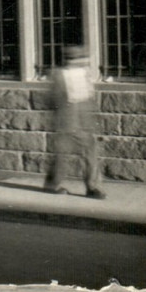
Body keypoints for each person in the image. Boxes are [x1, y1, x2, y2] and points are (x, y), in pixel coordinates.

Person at [46, 44, 105, 199]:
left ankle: (92, 187)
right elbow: (52, 100)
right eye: (75, 58)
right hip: (65, 121)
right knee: (61, 156)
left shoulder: (85, 74)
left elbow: (89, 98)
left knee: (90, 153)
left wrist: (90, 120)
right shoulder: (58, 75)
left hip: (83, 121)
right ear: (69, 60)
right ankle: (52, 185)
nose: (79, 61)